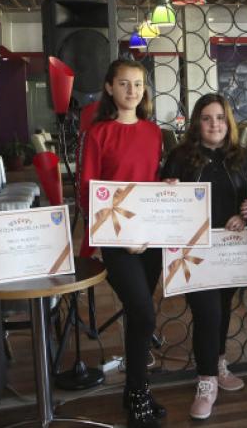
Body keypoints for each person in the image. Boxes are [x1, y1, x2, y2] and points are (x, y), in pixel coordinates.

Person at [160, 94, 247, 420]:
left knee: (223, 307)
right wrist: (167, 188)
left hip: (232, 249)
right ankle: (206, 382)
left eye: (219, 118)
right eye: (206, 118)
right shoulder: (180, 156)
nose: (214, 124)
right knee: (207, 313)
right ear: (197, 123)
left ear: (228, 122)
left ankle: (217, 363)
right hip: (194, 250)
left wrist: (245, 215)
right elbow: (163, 198)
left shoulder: (243, 156)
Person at [79, 59, 165, 428]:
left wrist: (167, 188)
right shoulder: (98, 133)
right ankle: (140, 392)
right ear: (109, 87)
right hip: (116, 239)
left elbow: (152, 180)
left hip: (151, 237)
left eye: (138, 84)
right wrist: (119, 236)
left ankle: (134, 390)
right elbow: (88, 190)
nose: (132, 91)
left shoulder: (154, 132)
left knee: (138, 315)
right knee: (143, 313)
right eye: (124, 84)